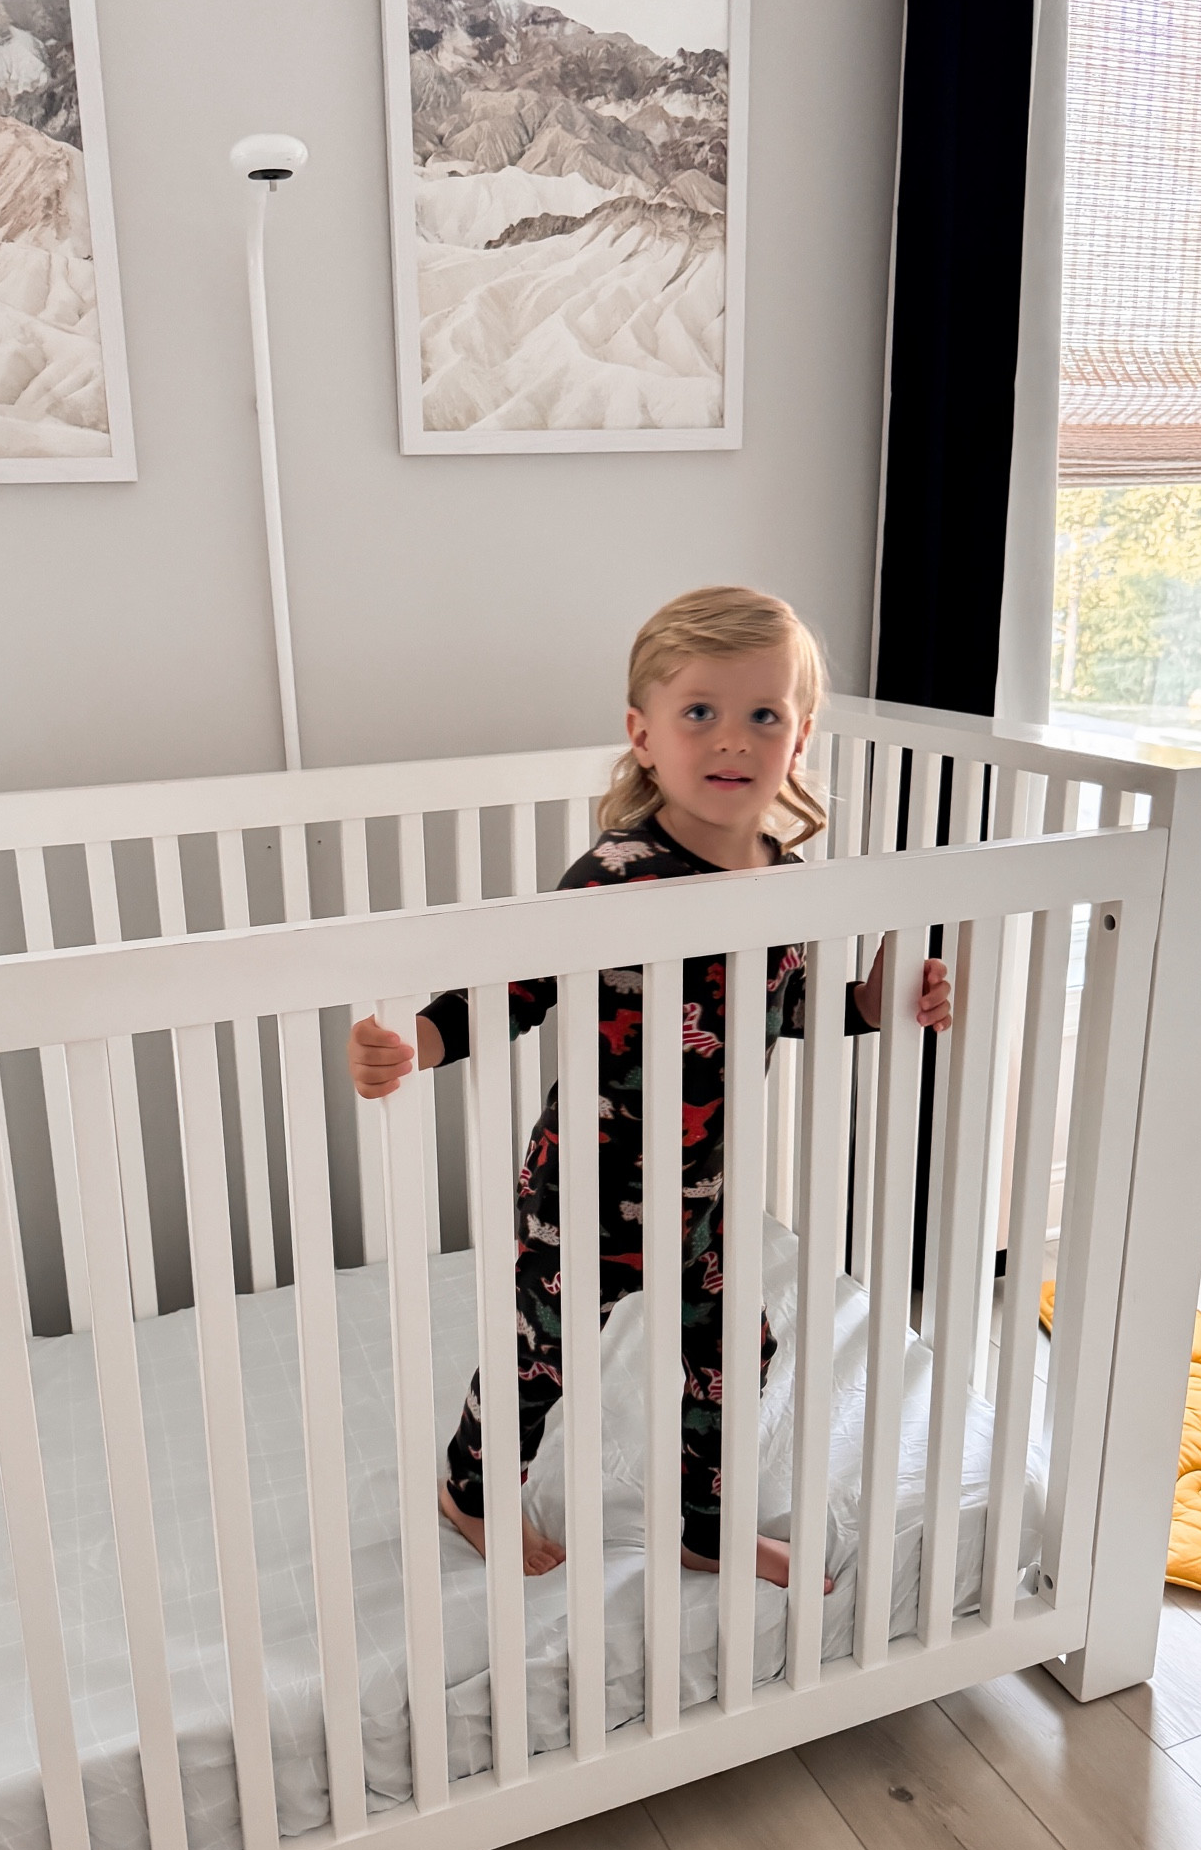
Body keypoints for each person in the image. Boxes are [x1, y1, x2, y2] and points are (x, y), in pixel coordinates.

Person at [347, 586, 951, 1584]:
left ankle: (705, 1528)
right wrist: (414, 1037)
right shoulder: (615, 876)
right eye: (700, 711)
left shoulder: (782, 874)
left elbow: (786, 1005)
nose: (733, 738)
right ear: (644, 734)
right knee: (540, 1359)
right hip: (580, 1190)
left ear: (799, 738)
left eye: (765, 713)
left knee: (731, 1358)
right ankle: (472, 1486)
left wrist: (878, 1002)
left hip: (700, 1196)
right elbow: (517, 985)